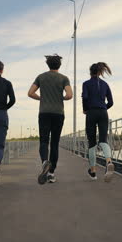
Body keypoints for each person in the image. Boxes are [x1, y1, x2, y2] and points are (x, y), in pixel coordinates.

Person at [28, 54, 73, 184]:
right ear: (59, 65)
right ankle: (52, 173)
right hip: (58, 113)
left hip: (44, 113)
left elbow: (30, 93)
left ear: (48, 64)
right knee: (54, 143)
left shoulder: (41, 77)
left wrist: (41, 98)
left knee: (44, 141)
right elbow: (69, 95)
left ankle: (44, 162)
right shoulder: (64, 78)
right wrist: (61, 98)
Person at [82, 62, 115, 182]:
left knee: (92, 143)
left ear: (90, 72)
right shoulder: (105, 84)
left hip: (91, 113)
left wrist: (85, 109)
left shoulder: (86, 84)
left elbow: (85, 97)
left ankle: (93, 172)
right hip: (103, 112)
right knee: (103, 140)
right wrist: (103, 107)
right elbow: (111, 102)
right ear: (100, 72)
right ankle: (109, 161)